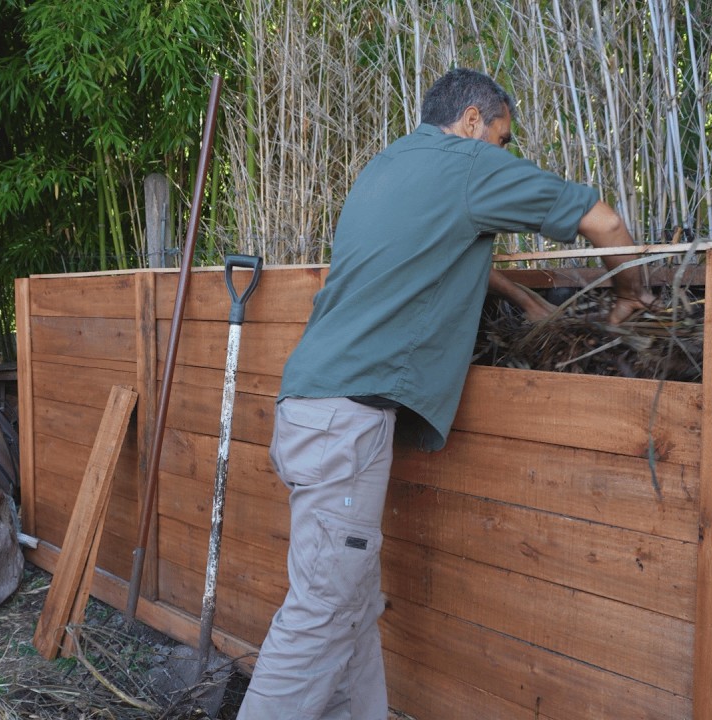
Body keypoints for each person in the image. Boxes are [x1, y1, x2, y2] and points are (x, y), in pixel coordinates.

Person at [235, 68, 655, 720]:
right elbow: (603, 222)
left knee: (350, 604)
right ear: (470, 122)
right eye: (502, 136)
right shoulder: (467, 165)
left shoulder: (388, 168)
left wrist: (522, 299)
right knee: (321, 612)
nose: (503, 152)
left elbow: (431, 259)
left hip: (316, 413)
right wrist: (633, 295)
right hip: (346, 424)